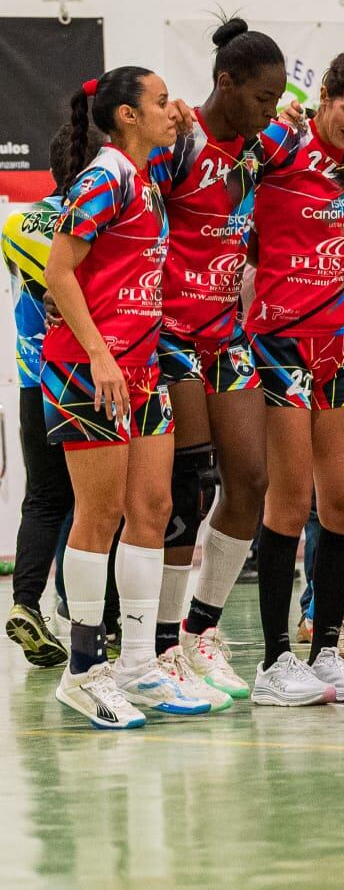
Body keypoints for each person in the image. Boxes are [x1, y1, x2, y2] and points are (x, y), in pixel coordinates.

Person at [45, 67, 212, 727]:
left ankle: (141, 664)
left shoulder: (146, 178)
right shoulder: (106, 175)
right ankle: (83, 670)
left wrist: (191, 129)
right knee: (102, 512)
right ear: (126, 117)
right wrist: (97, 354)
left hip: (142, 368)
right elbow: (59, 269)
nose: (175, 109)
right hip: (92, 370)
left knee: (155, 505)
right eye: (162, 100)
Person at [241, 47, 344, 706]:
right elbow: (226, 174)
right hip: (279, 343)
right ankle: (274, 660)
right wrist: (280, 125)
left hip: (342, 352)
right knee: (289, 500)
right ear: (324, 96)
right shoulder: (281, 145)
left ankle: (326, 649)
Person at [154, 18, 288, 706]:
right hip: (169, 335)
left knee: (252, 479)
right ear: (225, 83)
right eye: (263, 98)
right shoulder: (180, 143)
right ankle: (162, 646)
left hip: (226, 335)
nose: (270, 111)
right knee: (191, 487)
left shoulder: (260, 149)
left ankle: (203, 630)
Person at [4, 142, 77, 667]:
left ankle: (27, 603)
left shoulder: (19, 224)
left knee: (45, 498)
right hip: (87, 377)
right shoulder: (90, 224)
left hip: (35, 384)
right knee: (102, 507)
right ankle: (95, 619)